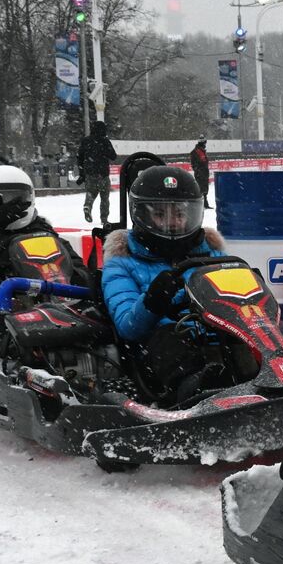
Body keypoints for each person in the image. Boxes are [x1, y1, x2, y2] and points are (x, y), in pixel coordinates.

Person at [101, 165, 229, 401]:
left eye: (179, 214)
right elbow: (128, 327)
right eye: (160, 214)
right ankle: (196, 389)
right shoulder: (122, 261)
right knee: (167, 337)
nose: (172, 223)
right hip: (159, 350)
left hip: (217, 334)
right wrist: (153, 301)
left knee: (253, 333)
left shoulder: (210, 253)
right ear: (142, 215)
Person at [0, 165, 87, 320]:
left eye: (16, 197)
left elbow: (79, 270)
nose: (9, 204)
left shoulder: (42, 230)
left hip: (50, 312)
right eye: (0, 199)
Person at [76, 120, 118, 224]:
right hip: (103, 173)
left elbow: (79, 158)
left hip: (90, 173)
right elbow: (113, 156)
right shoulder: (105, 141)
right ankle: (104, 219)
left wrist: (82, 173)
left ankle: (88, 205)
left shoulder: (85, 141)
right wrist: (104, 150)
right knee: (104, 198)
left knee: (91, 192)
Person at [189, 138, 210, 208]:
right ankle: (200, 204)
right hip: (200, 173)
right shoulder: (195, 152)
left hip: (204, 173)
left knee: (204, 189)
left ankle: (205, 203)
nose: (205, 145)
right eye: (204, 143)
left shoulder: (202, 151)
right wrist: (198, 171)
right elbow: (194, 164)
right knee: (201, 189)